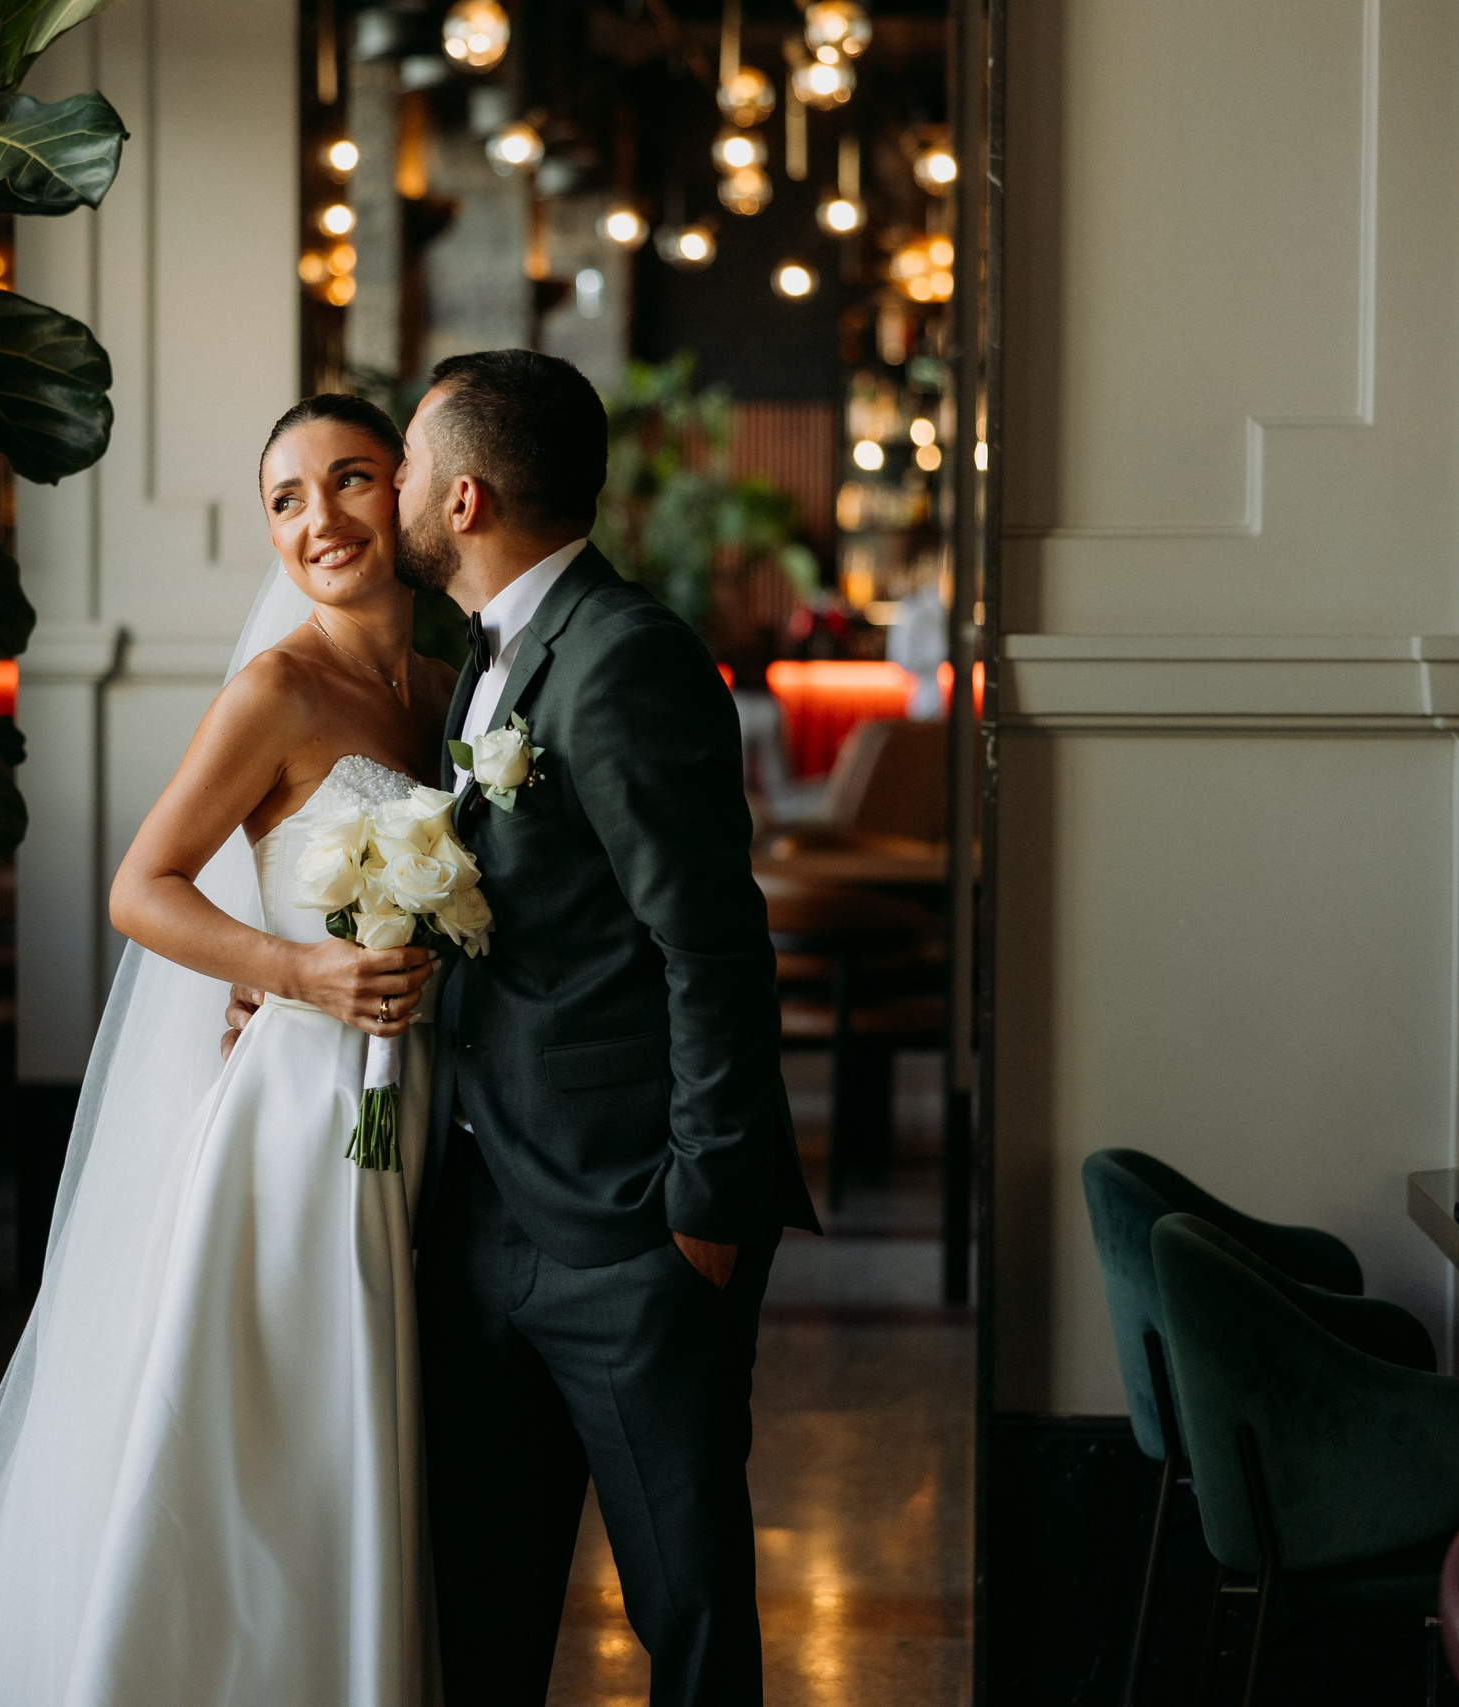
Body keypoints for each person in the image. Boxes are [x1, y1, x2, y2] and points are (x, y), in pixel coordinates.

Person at [0, 393, 454, 1707]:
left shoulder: (447, 690)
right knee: (288, 1439)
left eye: (350, 480)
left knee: (372, 1434)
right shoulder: (278, 689)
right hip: (297, 1120)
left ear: (409, 491)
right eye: (286, 500)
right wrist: (297, 972)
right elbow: (143, 888)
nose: (319, 520)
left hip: (419, 1100)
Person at [387, 349, 817, 1706]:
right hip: (485, 1213)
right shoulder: (485, 656)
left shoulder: (626, 657)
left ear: (464, 498)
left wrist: (705, 1208)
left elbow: (713, 945)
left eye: (403, 466)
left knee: (684, 1614)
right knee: (483, 1606)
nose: (391, 492)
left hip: (635, 1229)